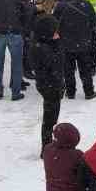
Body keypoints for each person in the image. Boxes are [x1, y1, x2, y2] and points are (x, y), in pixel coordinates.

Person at [55, 0, 96, 100]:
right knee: (85, 69)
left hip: (66, 43)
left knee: (68, 70)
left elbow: (55, 25)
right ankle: (89, 91)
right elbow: (94, 23)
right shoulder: (86, 4)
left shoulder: (60, 7)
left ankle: (70, 92)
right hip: (83, 43)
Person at [31, 15, 66, 148]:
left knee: (51, 117)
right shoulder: (41, 48)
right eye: (54, 31)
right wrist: (57, 43)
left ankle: (48, 142)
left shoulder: (42, 42)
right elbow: (56, 63)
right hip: (49, 86)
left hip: (51, 84)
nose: (57, 34)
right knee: (50, 118)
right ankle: (46, 146)